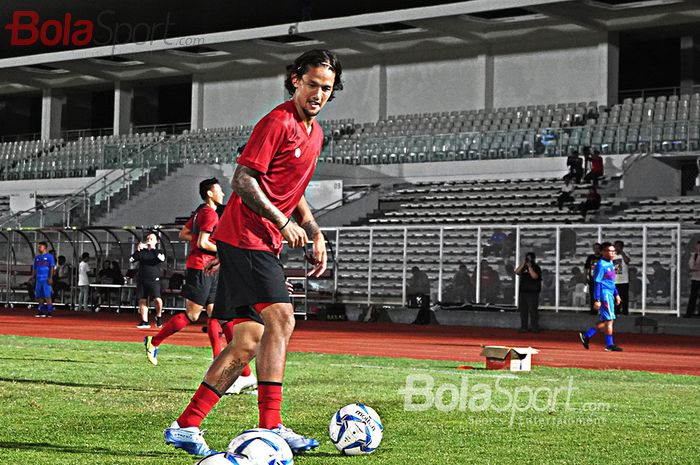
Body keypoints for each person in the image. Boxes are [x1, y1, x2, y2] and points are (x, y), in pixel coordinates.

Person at [163, 49, 343, 457]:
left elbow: (293, 193)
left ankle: (186, 426)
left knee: (246, 342)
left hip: (258, 239)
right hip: (246, 235)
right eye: (312, 84)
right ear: (296, 80)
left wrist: (315, 232)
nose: (318, 94)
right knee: (282, 318)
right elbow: (242, 180)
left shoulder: (314, 134)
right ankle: (272, 426)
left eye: (326, 88)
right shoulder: (277, 122)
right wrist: (282, 223)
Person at [145, 178, 254, 395]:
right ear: (210, 193)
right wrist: (225, 249)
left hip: (209, 269)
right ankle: (153, 340)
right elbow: (203, 243)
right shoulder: (208, 213)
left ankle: (241, 372)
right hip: (201, 268)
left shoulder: (200, 213)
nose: (222, 192)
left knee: (220, 316)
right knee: (193, 316)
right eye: (219, 190)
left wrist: (201, 240)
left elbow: (184, 234)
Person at [579, 242, 623, 351]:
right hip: (605, 294)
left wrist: (616, 294)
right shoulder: (601, 264)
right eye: (609, 251)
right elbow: (597, 282)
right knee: (610, 320)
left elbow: (612, 282)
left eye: (613, 251)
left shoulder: (611, 264)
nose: (612, 253)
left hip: (610, 293)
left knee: (606, 320)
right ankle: (609, 345)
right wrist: (597, 299)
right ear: (603, 252)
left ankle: (586, 335)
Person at [130, 231, 165, 329]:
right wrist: (138, 249)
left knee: (157, 300)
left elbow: (161, 258)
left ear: (156, 241)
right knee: (142, 299)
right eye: (148, 239)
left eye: (151, 239)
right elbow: (132, 259)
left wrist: (152, 248)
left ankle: (159, 316)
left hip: (154, 279)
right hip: (142, 279)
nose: (149, 241)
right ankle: (144, 321)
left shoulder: (159, 252)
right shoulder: (142, 252)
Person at [515, 252, 542, 333]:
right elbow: (517, 272)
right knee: (523, 310)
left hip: (533, 292)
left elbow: (535, 276)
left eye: (529, 258)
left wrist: (530, 268)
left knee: (533, 310)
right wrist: (524, 264)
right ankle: (524, 327)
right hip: (523, 291)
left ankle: (535, 327)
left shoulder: (536, 267)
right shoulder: (523, 267)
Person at [32, 241, 55, 317]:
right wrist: (33, 278)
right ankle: (41, 310)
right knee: (39, 295)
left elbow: (51, 267)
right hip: (39, 279)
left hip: (46, 279)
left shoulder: (49, 257)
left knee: (47, 295)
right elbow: (34, 268)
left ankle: (49, 311)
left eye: (40, 246)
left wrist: (50, 278)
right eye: (38, 247)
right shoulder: (37, 258)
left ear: (45, 247)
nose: (39, 248)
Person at [613, 240, 630, 315]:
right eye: (616, 246)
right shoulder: (612, 256)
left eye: (619, 246)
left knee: (624, 297)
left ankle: (625, 311)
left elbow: (627, 261)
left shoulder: (626, 254)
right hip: (615, 280)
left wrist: (622, 253)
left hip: (624, 280)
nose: (617, 248)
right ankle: (616, 311)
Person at [584, 243, 602, 315]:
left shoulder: (603, 257)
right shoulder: (590, 257)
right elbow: (586, 268)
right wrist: (585, 277)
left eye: (597, 248)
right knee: (592, 295)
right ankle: (593, 310)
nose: (596, 249)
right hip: (592, 279)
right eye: (595, 248)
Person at [685, 240, 700, 317]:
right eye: (698, 246)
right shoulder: (694, 256)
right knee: (693, 297)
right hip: (695, 278)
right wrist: (696, 268)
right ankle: (689, 313)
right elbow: (691, 266)